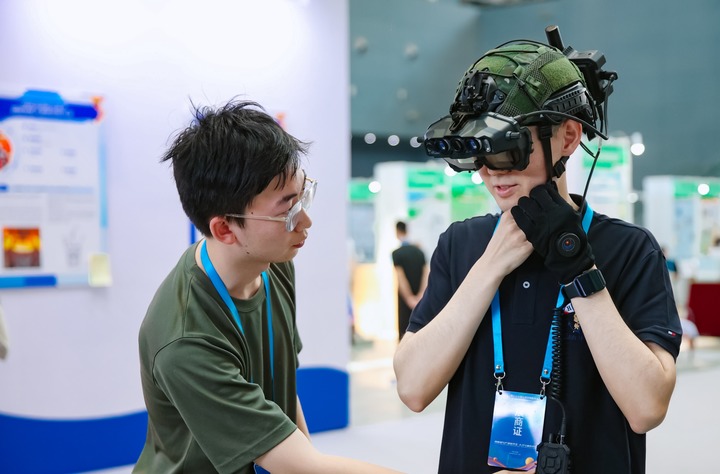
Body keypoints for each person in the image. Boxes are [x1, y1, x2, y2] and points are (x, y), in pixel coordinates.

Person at [393, 31, 682, 474]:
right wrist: (490, 266)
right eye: (479, 150)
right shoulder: (461, 244)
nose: (491, 172)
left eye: (507, 147)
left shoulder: (629, 249)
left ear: (568, 137)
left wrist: (579, 270)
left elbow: (647, 407)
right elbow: (412, 388)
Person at [135, 100, 399, 474]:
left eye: (302, 196)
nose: (305, 222)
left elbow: (284, 396)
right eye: (287, 210)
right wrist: (306, 465)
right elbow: (304, 465)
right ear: (224, 229)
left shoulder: (273, 264)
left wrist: (305, 461)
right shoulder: (186, 339)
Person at [391, 221, 428, 341]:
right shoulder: (420, 252)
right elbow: (426, 274)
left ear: (397, 231)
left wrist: (409, 298)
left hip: (405, 301)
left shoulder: (396, 254)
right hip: (420, 301)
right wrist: (420, 296)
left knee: (404, 332)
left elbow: (401, 278)